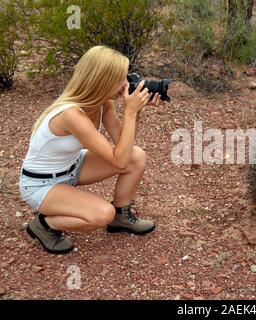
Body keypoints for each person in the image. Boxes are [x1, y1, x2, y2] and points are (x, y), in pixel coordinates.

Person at [18, 45, 161, 254]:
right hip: (41, 184)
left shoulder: (102, 103)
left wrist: (136, 113)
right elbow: (118, 161)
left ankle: (121, 216)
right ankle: (44, 224)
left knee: (136, 156)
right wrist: (130, 113)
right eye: (119, 79)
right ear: (101, 81)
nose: (124, 85)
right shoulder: (71, 115)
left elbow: (124, 145)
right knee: (102, 214)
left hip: (72, 168)